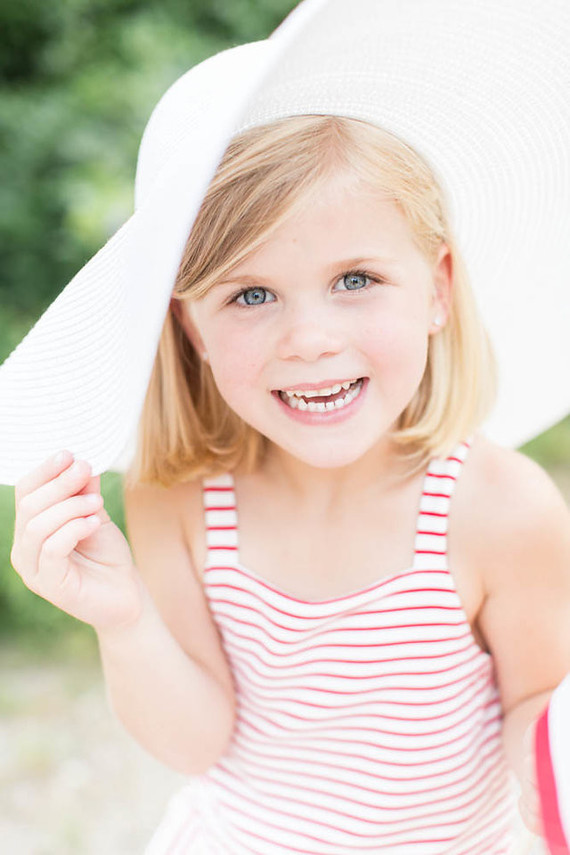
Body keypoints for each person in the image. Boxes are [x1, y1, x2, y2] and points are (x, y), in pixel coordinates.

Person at [6, 1, 570, 853]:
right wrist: (122, 618)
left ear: (438, 289)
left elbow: (542, 702)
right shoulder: (182, 500)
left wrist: (547, 781)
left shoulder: (499, 512)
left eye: (356, 277)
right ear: (190, 327)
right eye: (251, 294)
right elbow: (196, 742)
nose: (310, 338)